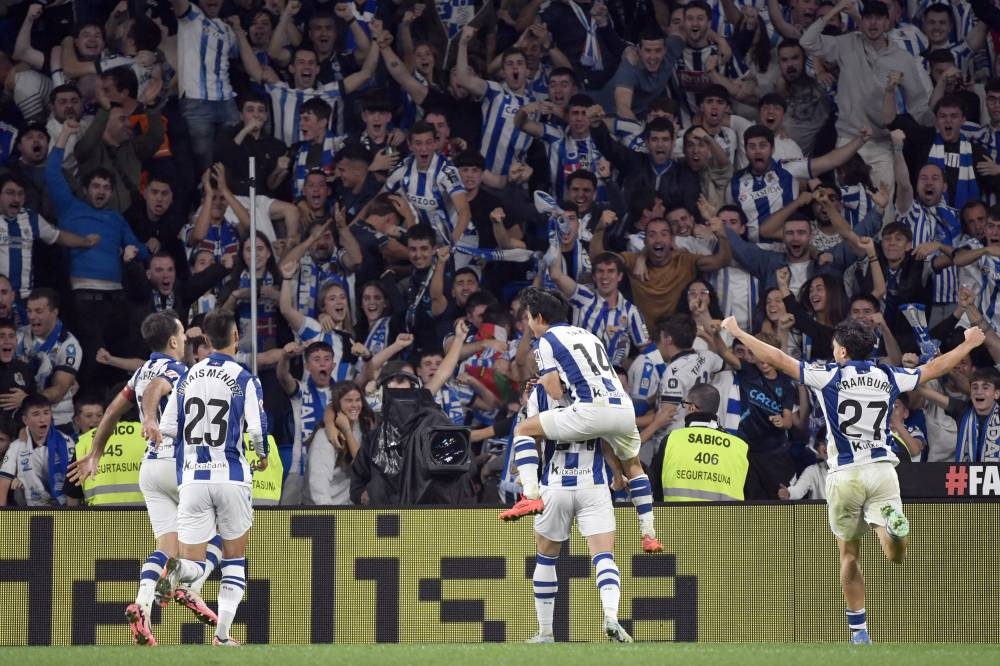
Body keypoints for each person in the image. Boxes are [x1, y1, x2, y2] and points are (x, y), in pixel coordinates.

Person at [721, 315, 986, 643]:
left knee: (849, 554)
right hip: (881, 471)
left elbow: (776, 357)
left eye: (835, 346)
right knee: (895, 555)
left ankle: (859, 633)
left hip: (844, 476)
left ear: (843, 352)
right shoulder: (889, 375)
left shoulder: (827, 375)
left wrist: (736, 331)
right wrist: (970, 343)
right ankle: (894, 530)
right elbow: (935, 368)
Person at [67, 311, 219, 645]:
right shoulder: (174, 370)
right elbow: (156, 389)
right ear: (174, 341)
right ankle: (189, 588)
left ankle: (142, 605)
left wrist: (95, 451)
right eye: (181, 333)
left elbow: (111, 412)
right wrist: (150, 417)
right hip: (178, 466)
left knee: (166, 546)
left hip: (150, 470)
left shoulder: (140, 371)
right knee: (225, 522)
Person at [499, 287, 662, 554]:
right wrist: (616, 473)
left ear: (539, 318)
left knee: (523, 429)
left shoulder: (546, 341)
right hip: (622, 408)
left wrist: (544, 381)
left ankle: (529, 496)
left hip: (590, 409)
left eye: (529, 318)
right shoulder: (590, 336)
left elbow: (554, 391)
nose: (529, 325)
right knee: (633, 466)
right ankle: (649, 533)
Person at [155, 310, 268, 646]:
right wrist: (260, 455)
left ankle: (176, 573)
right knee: (234, 559)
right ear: (236, 337)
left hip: (192, 480)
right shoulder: (245, 378)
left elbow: (167, 430)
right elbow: (257, 429)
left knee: (192, 561)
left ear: (204, 340)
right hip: (230, 476)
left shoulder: (186, 378)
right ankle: (221, 636)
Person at [520, 380, 632, 644]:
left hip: (554, 485)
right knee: (604, 556)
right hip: (592, 485)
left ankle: (546, 631)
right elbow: (608, 440)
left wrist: (525, 473)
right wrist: (618, 475)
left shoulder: (538, 392)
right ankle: (611, 616)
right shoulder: (596, 388)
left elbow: (531, 437)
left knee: (546, 558)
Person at [659, 383, 749, 502]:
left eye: (684, 404)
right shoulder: (740, 448)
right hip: (725, 519)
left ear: (692, 407)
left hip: (678, 519)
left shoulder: (671, 441)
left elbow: (657, 491)